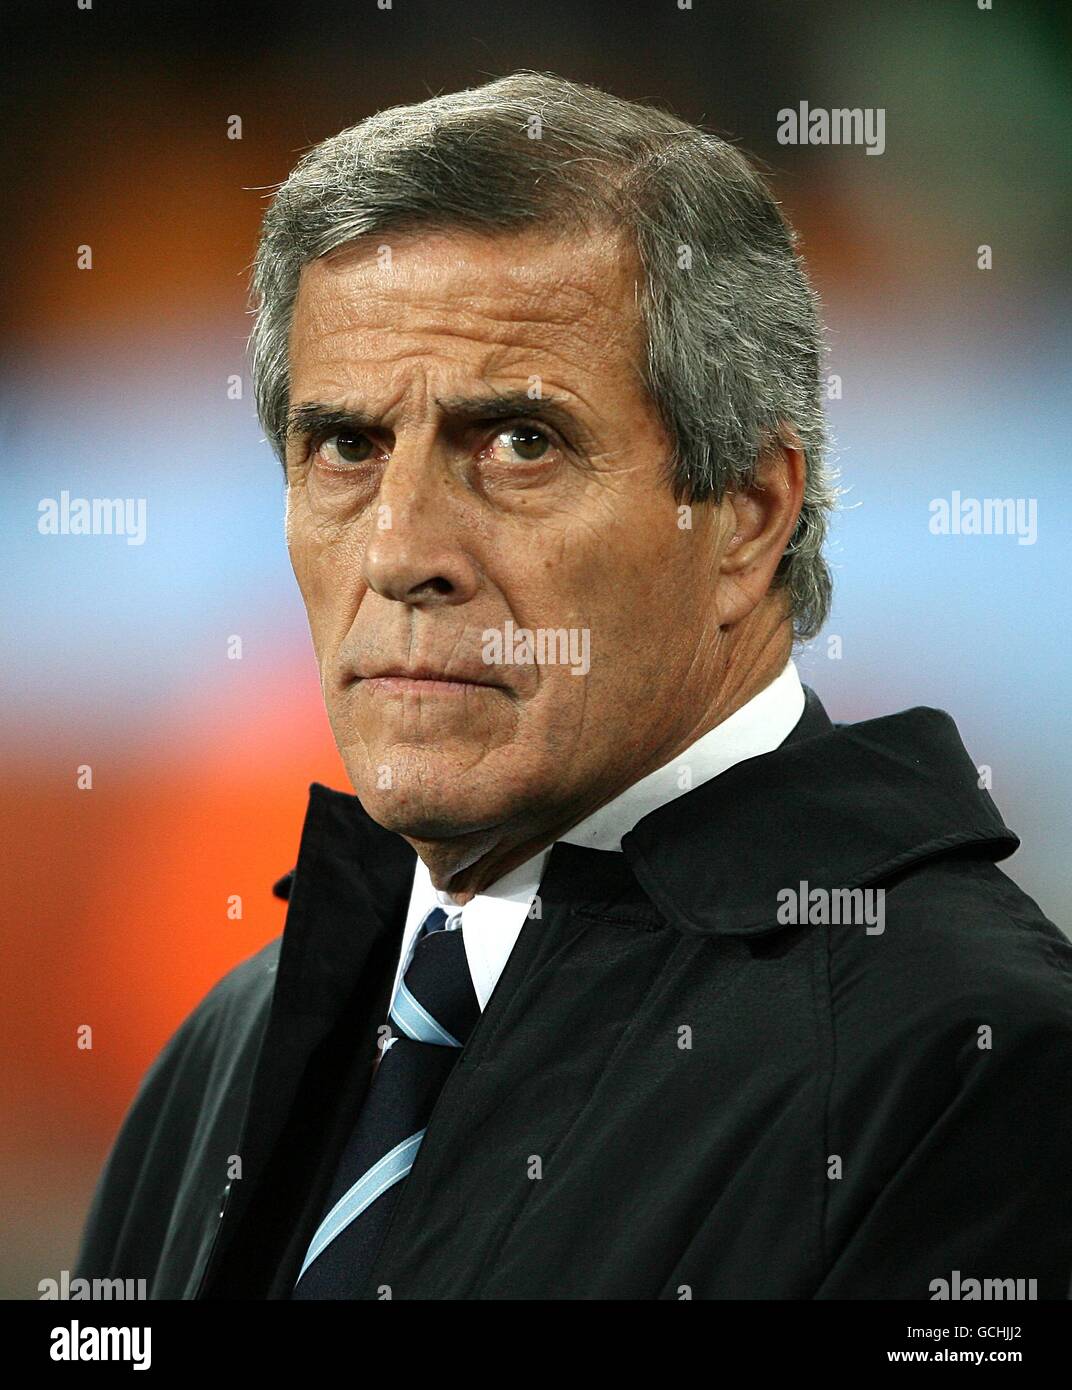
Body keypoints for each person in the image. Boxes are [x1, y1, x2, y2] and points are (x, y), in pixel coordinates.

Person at [76, 70, 1071, 1300]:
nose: (398, 552)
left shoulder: (971, 1061)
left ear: (750, 515)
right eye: (346, 444)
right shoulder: (235, 1043)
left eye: (517, 443)